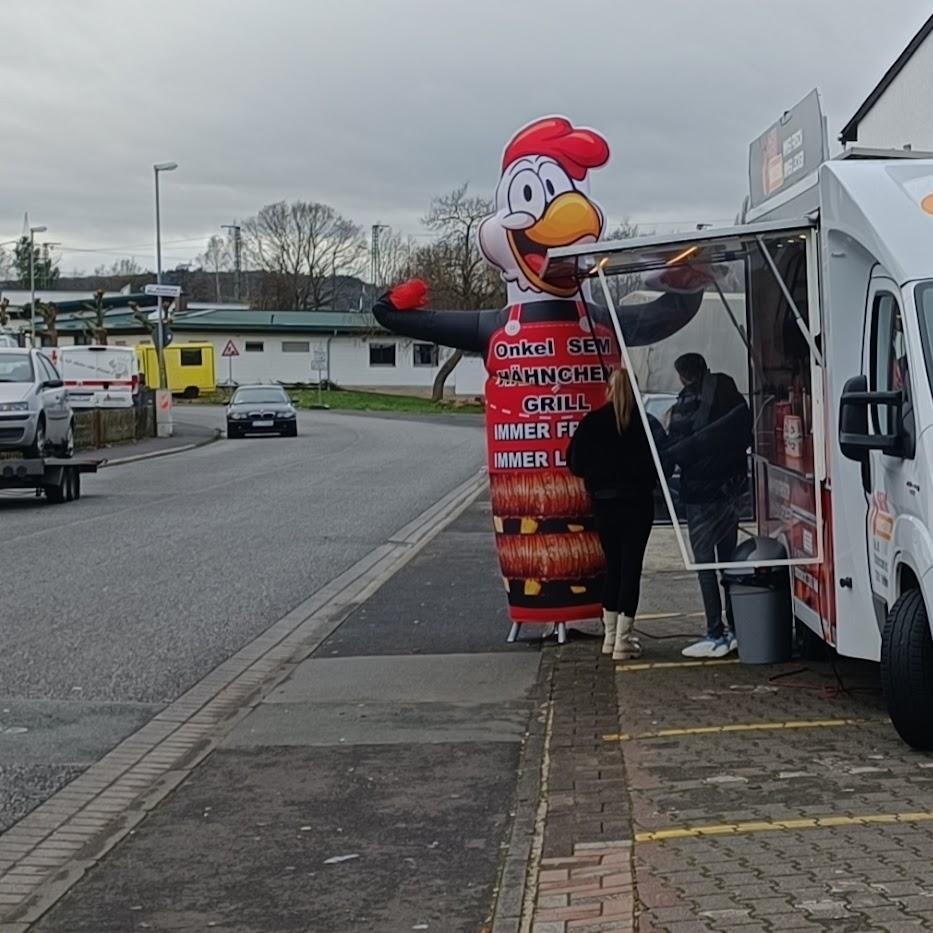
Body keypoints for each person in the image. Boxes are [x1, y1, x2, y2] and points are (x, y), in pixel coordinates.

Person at [663, 353, 751, 658]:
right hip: (730, 491)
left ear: (683, 375)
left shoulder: (686, 404)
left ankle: (715, 631)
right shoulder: (729, 393)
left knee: (705, 566)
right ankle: (738, 626)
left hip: (700, 497)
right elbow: (745, 434)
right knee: (729, 562)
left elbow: (677, 451)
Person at [568, 369, 659, 660]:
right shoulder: (646, 424)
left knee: (613, 567)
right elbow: (662, 463)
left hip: (604, 505)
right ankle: (623, 640)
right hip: (638, 505)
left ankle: (609, 637)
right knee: (631, 568)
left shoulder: (591, 423)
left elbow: (575, 464)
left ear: (608, 390)